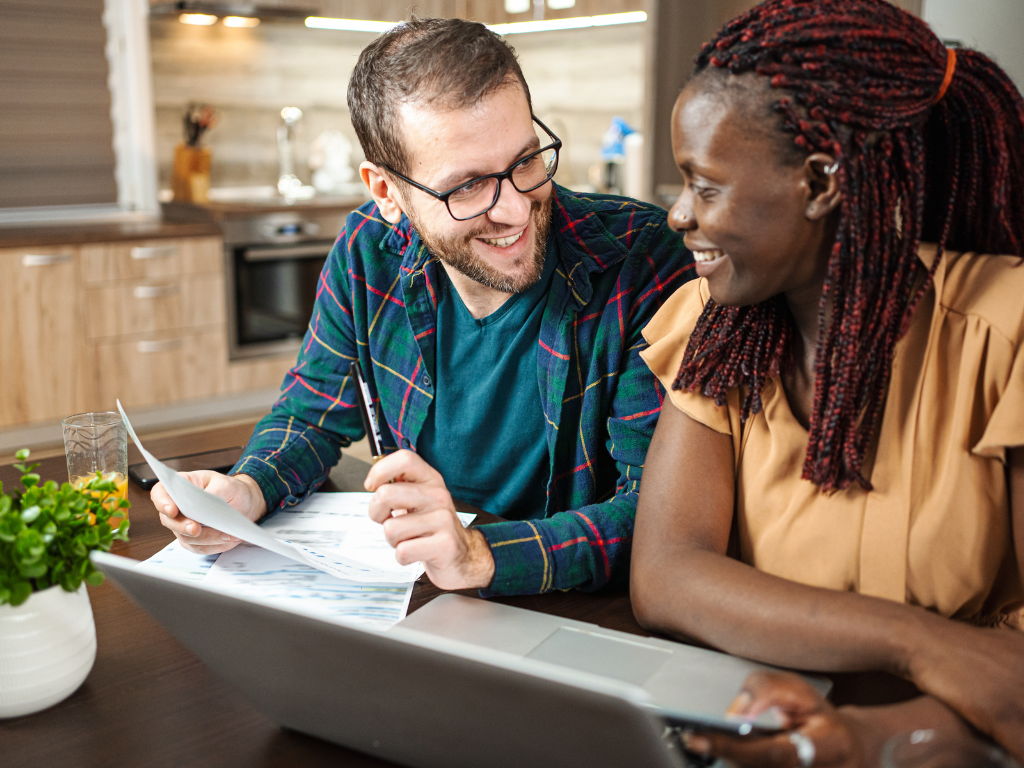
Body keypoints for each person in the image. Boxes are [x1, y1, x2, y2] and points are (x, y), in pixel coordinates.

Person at [151, 18, 693, 596]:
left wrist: (480, 555)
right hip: (427, 586)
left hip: (571, 603)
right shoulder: (367, 252)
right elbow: (311, 416)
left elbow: (660, 514)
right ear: (387, 193)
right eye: (467, 187)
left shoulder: (644, 260)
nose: (512, 209)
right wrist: (249, 491)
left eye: (526, 162)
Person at [631, 0, 1024, 764]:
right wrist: (915, 641)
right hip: (765, 720)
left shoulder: (1007, 330)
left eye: (705, 185)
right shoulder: (715, 325)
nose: (679, 214)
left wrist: (865, 738)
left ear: (819, 183)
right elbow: (668, 573)